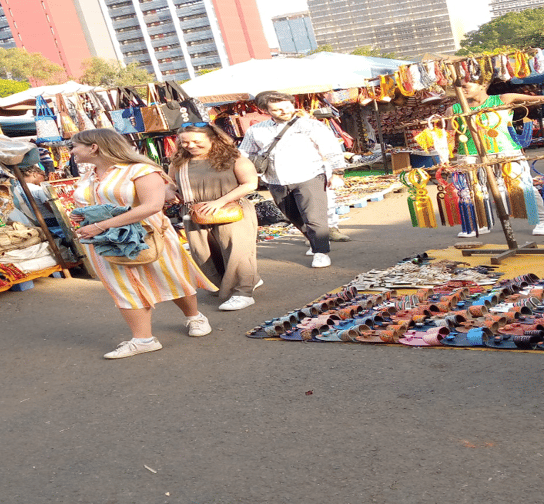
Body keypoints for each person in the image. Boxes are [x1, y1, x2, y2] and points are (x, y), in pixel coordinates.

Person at [69, 129, 217, 360]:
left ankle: (194, 316)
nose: (71, 151)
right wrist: (85, 217)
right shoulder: (89, 174)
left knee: (169, 275)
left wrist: (101, 225)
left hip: (147, 235)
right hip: (105, 241)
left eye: (74, 146)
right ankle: (143, 339)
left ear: (94, 147)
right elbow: (95, 202)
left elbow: (151, 206)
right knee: (122, 285)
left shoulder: (141, 170)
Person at [240, 91, 346, 268]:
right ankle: (314, 240)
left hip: (310, 174)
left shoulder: (310, 125)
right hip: (275, 180)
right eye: (277, 109)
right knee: (292, 215)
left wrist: (338, 173)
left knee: (314, 215)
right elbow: (244, 153)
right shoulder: (256, 130)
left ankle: (321, 252)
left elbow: (331, 149)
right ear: (266, 110)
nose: (284, 111)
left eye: (287, 106)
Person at [169, 124, 261, 311]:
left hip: (230, 210)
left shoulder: (233, 158)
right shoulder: (178, 161)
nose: (190, 145)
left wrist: (219, 201)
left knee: (237, 253)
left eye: (197, 141)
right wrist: (169, 192)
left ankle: (243, 292)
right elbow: (170, 184)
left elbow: (250, 183)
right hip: (195, 213)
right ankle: (242, 281)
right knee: (204, 253)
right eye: (185, 142)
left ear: (213, 139)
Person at [447, 81, 544, 237]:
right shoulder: (453, 109)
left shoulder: (503, 99)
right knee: (475, 191)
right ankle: (482, 222)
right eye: (458, 87)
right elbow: (449, 136)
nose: (461, 90)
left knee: (523, 186)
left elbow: (542, 99)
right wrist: (446, 157)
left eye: (465, 86)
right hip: (470, 155)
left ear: (482, 84)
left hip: (506, 150)